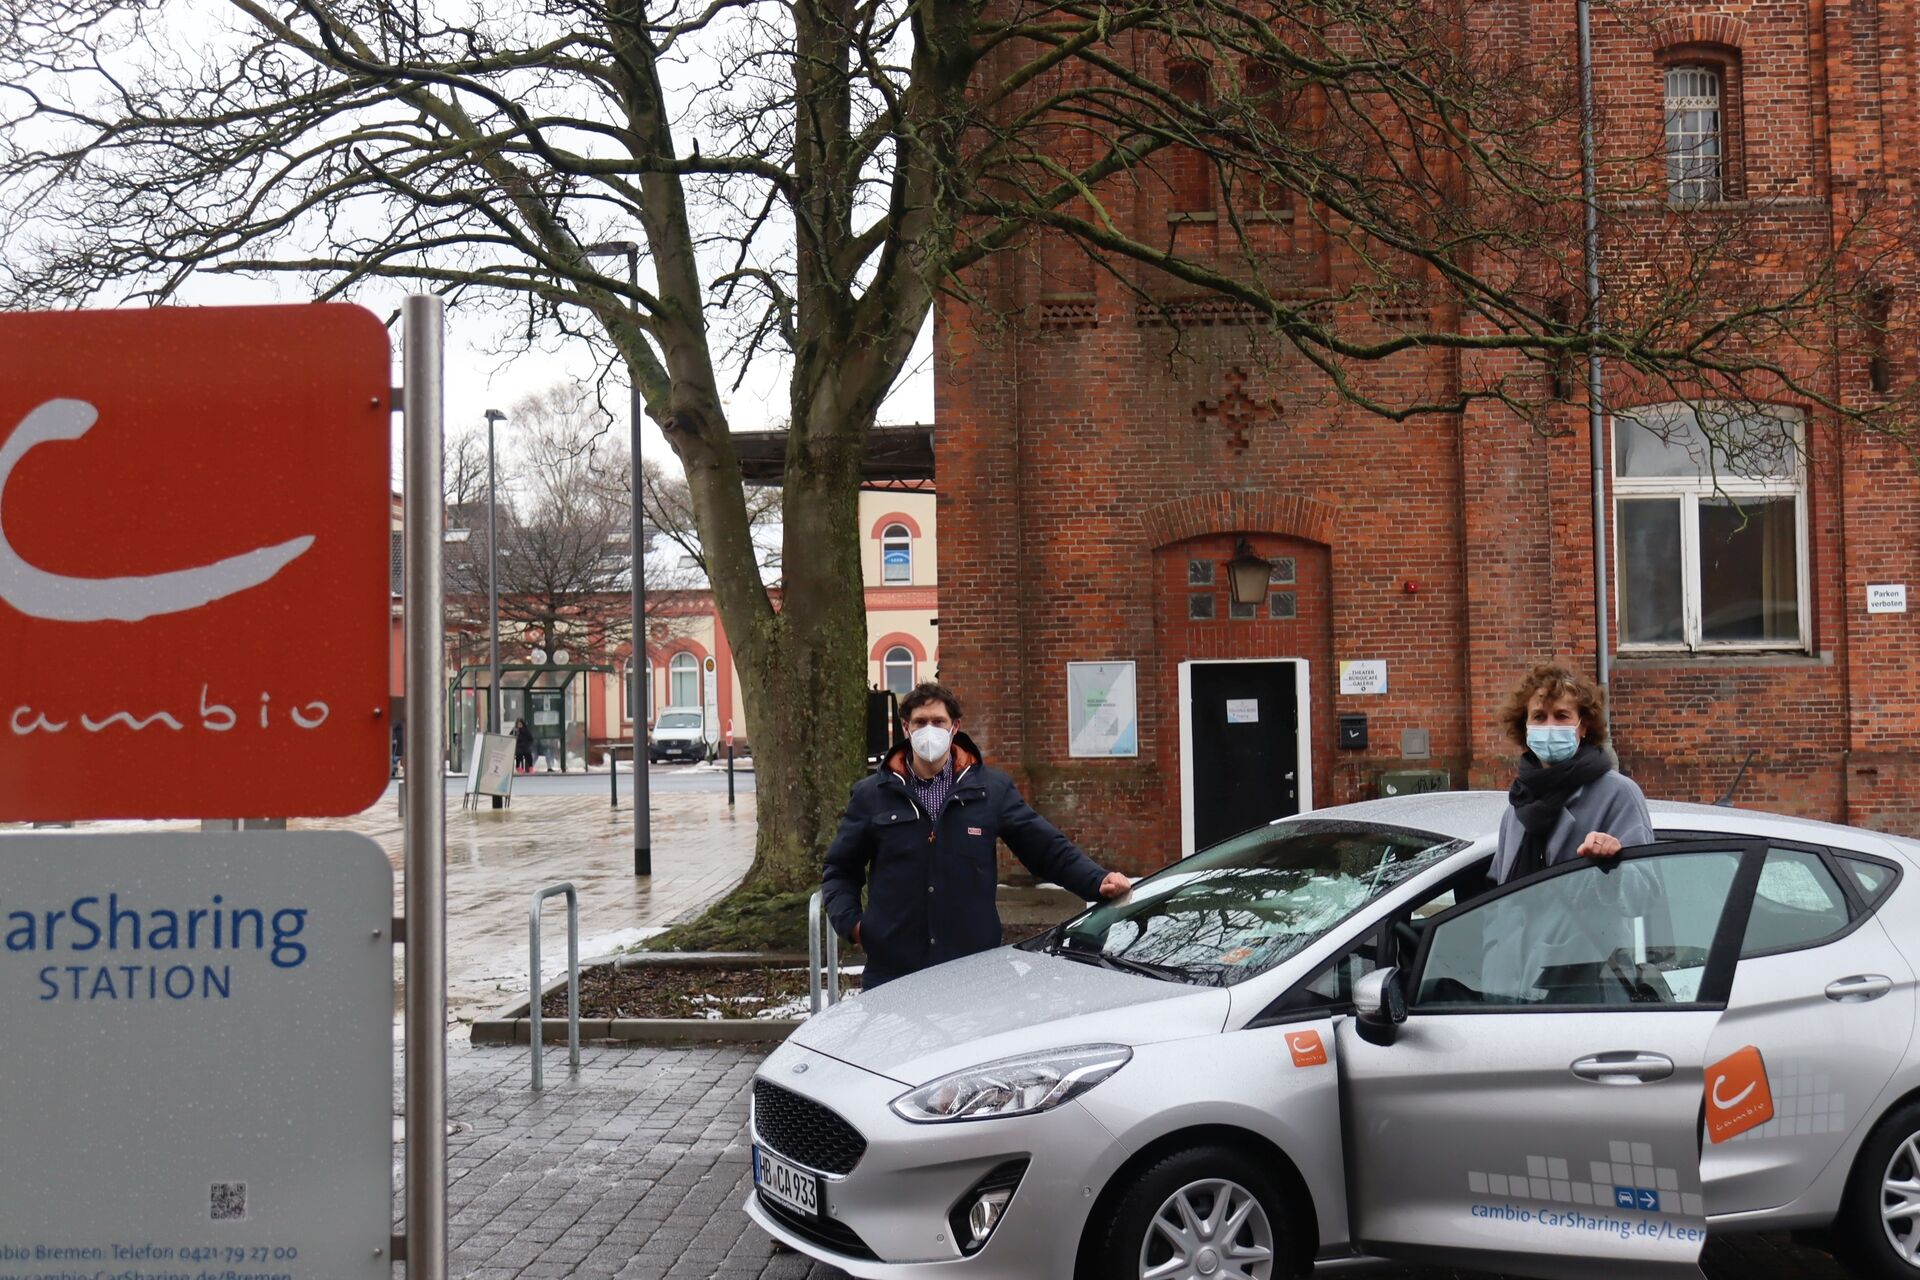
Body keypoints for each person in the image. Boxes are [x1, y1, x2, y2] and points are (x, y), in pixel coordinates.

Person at [822, 682, 1132, 988]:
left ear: (954, 727)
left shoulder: (990, 790)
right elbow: (840, 870)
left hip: (972, 969)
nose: (929, 730)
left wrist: (1096, 880)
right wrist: (855, 926)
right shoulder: (872, 794)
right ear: (906, 727)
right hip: (893, 970)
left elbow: (1045, 848)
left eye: (938, 721)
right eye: (920, 722)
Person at [1490, 663, 1652, 885]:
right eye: (1539, 717)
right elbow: (1498, 894)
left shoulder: (1618, 794)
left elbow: (1643, 896)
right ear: (1525, 727)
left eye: (1561, 716)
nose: (1550, 726)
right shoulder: (1519, 803)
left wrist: (1613, 867)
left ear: (1582, 726)